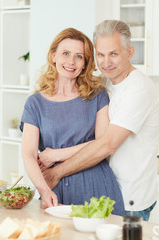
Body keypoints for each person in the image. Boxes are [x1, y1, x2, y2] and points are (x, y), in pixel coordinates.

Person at [41, 20, 159, 221]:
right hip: (103, 191)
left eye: (113, 54)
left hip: (130, 198)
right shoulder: (103, 84)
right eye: (100, 54)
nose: (106, 62)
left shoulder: (139, 88)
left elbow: (106, 144)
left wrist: (55, 172)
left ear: (129, 52)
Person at [20, 27, 125, 215]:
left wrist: (56, 155)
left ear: (85, 63)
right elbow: (28, 154)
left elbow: (101, 144)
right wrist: (43, 190)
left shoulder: (97, 95)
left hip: (95, 185)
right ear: (53, 56)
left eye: (79, 56)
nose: (71, 61)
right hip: (54, 188)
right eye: (65, 53)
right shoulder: (35, 103)